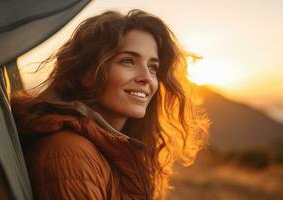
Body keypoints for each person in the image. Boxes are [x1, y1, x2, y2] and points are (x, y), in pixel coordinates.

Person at [11, 9, 210, 200]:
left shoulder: (108, 148)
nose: (146, 78)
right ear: (87, 73)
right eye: (128, 61)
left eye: (153, 67)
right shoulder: (70, 152)